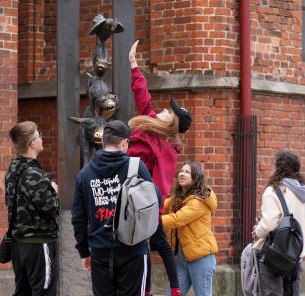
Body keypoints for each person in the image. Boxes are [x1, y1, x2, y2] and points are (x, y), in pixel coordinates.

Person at [127, 40, 193, 296]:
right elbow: (142, 94)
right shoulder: (149, 122)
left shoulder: (165, 151)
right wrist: (133, 64)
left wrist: (148, 207)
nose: (164, 109)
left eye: (169, 111)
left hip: (141, 202)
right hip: (127, 190)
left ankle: (166, 288)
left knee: (153, 244)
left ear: (172, 123)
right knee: (151, 244)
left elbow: (161, 185)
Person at [71, 120, 160, 296]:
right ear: (124, 142)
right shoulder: (136, 167)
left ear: (103, 142)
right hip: (133, 249)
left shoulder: (85, 174)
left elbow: (78, 218)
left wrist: (84, 251)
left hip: (99, 250)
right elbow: (155, 200)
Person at [5, 121, 61, 296]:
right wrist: (53, 190)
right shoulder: (35, 174)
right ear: (32, 144)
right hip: (38, 242)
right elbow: (52, 209)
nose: (42, 139)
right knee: (44, 291)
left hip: (18, 243)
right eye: (39, 136)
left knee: (23, 292)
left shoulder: (13, 168)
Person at [252, 149, 305, 296]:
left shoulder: (273, 191)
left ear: (278, 168)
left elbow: (269, 224)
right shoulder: (302, 193)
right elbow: (304, 218)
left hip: (274, 255)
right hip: (295, 255)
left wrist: (258, 230)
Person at [162, 162, 218, 296]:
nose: (182, 174)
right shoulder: (178, 198)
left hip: (201, 257)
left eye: (187, 172)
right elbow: (161, 206)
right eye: (181, 171)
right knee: (173, 293)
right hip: (183, 257)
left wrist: (153, 221)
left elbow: (177, 219)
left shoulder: (200, 201)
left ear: (196, 177)